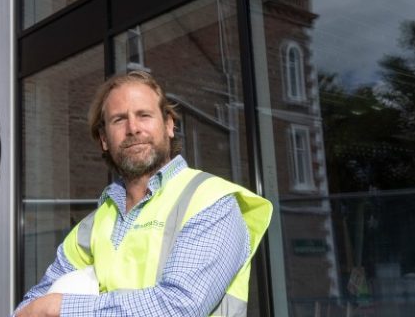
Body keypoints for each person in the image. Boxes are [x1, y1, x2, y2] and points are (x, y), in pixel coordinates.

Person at [14, 71, 272, 316]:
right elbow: (32, 305)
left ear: (169, 126)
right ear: (104, 139)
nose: (133, 128)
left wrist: (62, 308)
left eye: (144, 115)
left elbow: (178, 307)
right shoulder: (91, 228)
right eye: (119, 119)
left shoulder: (211, 202)